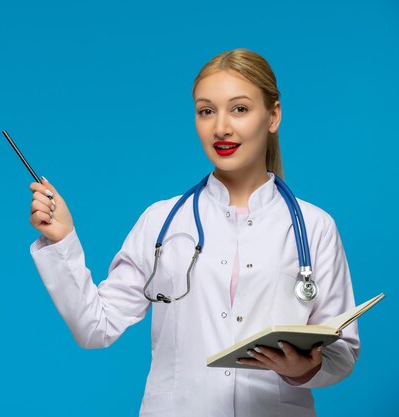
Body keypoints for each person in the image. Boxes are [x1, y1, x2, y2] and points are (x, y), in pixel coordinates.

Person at [27, 48, 359, 416]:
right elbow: (95, 328)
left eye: (239, 109)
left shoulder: (314, 227)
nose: (221, 127)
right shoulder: (161, 221)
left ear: (273, 115)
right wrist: (62, 241)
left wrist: (305, 370)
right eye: (206, 111)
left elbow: (342, 354)